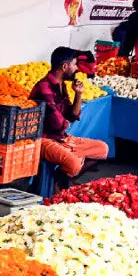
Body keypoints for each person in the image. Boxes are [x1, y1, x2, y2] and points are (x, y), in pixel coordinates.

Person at [30, 47, 109, 191]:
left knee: (102, 149)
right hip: (43, 139)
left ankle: (62, 178)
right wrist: (65, 125)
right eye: (75, 64)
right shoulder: (44, 87)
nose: (77, 68)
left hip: (61, 137)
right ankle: (62, 182)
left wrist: (78, 94)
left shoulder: (62, 85)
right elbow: (58, 124)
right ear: (65, 66)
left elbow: (72, 116)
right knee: (74, 164)